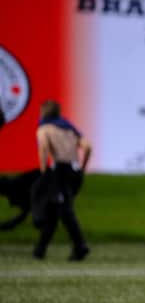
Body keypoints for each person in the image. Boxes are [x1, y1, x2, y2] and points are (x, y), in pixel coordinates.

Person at [33, 100, 92, 261]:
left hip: (59, 171)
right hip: (73, 170)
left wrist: (44, 171)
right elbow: (87, 147)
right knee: (55, 210)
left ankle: (80, 245)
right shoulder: (69, 128)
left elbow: (44, 147)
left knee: (64, 210)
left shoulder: (44, 129)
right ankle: (40, 250)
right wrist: (82, 168)